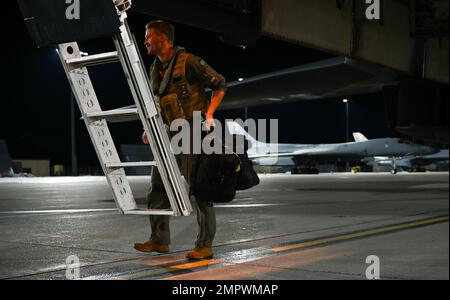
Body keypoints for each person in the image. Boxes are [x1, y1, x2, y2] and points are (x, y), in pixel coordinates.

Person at [134, 20, 226, 260]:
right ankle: (159, 239)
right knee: (158, 186)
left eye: (148, 37)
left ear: (162, 38)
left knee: (199, 187)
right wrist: (149, 128)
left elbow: (220, 84)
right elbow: (157, 99)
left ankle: (205, 245)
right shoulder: (156, 67)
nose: (145, 41)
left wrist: (209, 114)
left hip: (193, 132)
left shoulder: (190, 62)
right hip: (168, 132)